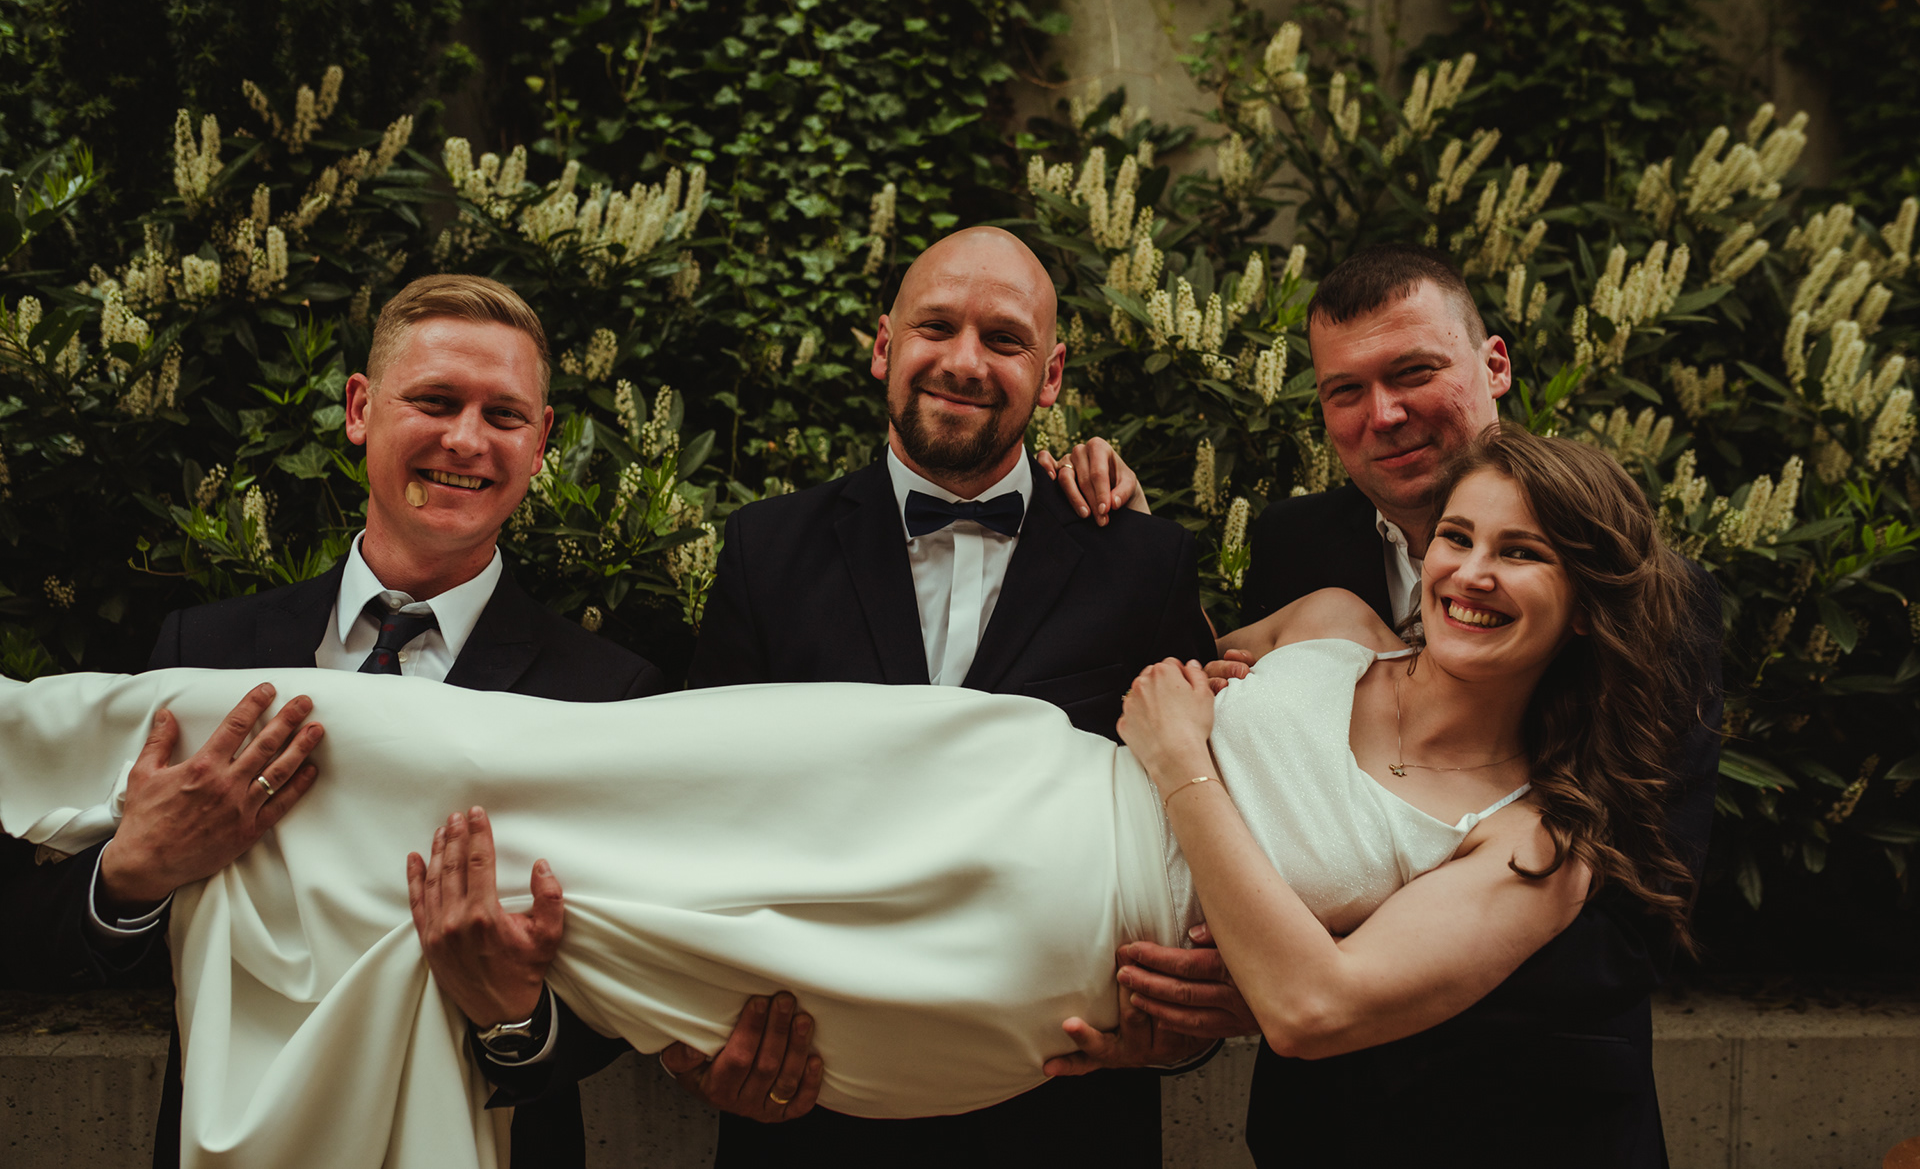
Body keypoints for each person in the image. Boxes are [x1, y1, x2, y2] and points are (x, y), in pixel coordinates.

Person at [0, 428, 1703, 1169]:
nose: (1469, 571)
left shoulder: (1540, 839)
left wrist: (1190, 797)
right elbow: (1140, 631)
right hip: (963, 769)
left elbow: (1320, 1003)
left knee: (579, 924)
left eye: (1521, 554)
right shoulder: (1330, 620)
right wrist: (1095, 478)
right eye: (1458, 536)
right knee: (534, 768)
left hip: (1030, 960)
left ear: (1592, 593)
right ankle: (49, 744)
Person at [427, 224, 1216, 1169]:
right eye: (936, 328)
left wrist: (1185, 1031)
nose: (965, 362)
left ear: (1050, 377)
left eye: (1004, 340)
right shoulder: (765, 553)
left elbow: (1203, 847)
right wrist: (699, 1056)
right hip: (809, 1123)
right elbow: (695, 830)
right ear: (885, 347)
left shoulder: (1145, 564)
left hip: (1065, 1122)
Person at [0, 275, 813, 1169]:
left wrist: (513, 1014)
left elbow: (621, 994)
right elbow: (33, 937)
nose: (465, 439)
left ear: (540, 443)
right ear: (360, 409)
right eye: (434, 401)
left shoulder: (612, 693)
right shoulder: (205, 650)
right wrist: (130, 875)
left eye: (504, 415)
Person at [1104, 243, 1722, 1167]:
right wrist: (1119, 538)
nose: (1382, 414)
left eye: (1414, 373)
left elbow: (1632, 925)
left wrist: (1295, 965)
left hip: (1535, 1123)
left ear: (1494, 364)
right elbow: (1179, 705)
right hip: (1318, 1127)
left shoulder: (1651, 598)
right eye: (1344, 391)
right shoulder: (1300, 551)